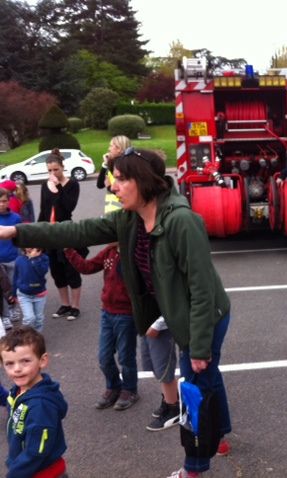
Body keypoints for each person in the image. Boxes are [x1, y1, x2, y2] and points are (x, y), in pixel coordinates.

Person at [0, 147, 232, 478]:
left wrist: (198, 346)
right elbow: (76, 231)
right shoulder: (129, 219)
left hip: (205, 317)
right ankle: (220, 433)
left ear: (144, 181)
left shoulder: (182, 221)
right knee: (206, 379)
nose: (113, 186)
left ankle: (194, 466)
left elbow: (202, 291)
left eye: (121, 179)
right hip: (176, 314)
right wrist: (17, 231)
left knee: (195, 386)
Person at [65, 244, 139, 411]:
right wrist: (69, 249)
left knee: (126, 356)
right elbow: (87, 267)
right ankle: (113, 386)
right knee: (104, 357)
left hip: (126, 314)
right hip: (107, 312)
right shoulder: (109, 251)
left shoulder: (135, 253)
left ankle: (130, 389)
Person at [1, 326, 68, 478]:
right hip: (26, 467)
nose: (17, 369)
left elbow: (37, 451)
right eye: (9, 363)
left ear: (42, 360)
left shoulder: (40, 405)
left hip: (43, 473)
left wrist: (15, 473)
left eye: (25, 361)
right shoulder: (19, 390)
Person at [39, 148, 85, 321]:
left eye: (55, 169)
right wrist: (38, 233)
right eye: (49, 170)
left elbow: (68, 207)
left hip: (66, 230)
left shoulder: (72, 184)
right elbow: (44, 210)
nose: (52, 173)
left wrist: (58, 185)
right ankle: (65, 304)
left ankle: (75, 306)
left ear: (62, 167)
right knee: (56, 271)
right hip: (50, 232)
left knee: (70, 269)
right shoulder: (45, 185)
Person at [141, 316, 180, 431]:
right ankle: (170, 398)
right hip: (146, 322)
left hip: (160, 325)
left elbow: (169, 300)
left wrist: (157, 325)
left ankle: (173, 409)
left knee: (164, 370)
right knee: (153, 365)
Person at [0, 187, 21, 331]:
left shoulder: (15, 218)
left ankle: (14, 307)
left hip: (13, 257)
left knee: (13, 286)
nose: (1, 204)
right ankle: (5, 316)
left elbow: (20, 238)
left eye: (4, 201)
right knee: (2, 289)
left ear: (9, 201)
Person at [13, 248, 49, 332]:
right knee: (29, 318)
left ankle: (36, 338)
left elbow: (42, 272)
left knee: (39, 319)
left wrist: (34, 259)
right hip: (24, 294)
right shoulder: (19, 259)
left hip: (39, 294)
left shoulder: (44, 258)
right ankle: (24, 337)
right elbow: (15, 277)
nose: (30, 247)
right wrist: (14, 293)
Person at [97, 135, 131, 214]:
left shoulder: (124, 166)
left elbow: (126, 192)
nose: (109, 149)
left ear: (119, 148)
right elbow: (100, 185)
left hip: (122, 211)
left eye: (111, 146)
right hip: (111, 211)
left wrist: (109, 187)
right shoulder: (113, 165)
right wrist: (105, 164)